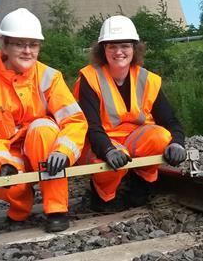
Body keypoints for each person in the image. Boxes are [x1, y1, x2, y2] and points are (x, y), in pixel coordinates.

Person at [0, 8, 88, 232]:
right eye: (20, 44)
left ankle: (57, 209)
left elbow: (75, 121)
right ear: (5, 45)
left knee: (42, 129)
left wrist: (63, 151)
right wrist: (3, 165)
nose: (28, 51)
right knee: (6, 184)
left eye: (33, 45)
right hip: (10, 159)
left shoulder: (49, 77)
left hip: (44, 153)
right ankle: (21, 206)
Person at [74, 15, 187, 212]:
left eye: (125, 46)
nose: (119, 52)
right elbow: (91, 126)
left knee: (161, 136)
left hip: (132, 141)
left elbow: (170, 121)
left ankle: (139, 185)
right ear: (103, 50)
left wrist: (177, 143)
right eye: (112, 46)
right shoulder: (89, 79)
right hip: (98, 142)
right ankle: (103, 196)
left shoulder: (148, 79)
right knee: (105, 161)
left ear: (134, 49)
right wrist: (108, 150)